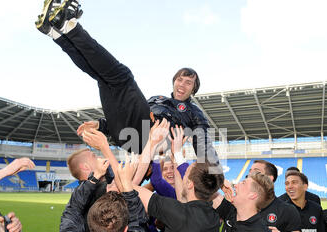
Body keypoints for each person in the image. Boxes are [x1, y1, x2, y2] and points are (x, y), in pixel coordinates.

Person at [35, 0, 219, 166]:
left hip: (147, 140)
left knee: (123, 77)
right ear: (174, 82)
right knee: (103, 77)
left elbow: (203, 145)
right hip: (128, 134)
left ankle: (69, 26)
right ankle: (55, 32)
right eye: (180, 79)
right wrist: (101, 125)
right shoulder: (157, 100)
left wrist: (216, 175)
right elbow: (127, 115)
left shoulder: (194, 113)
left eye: (188, 83)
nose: (182, 84)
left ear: (194, 89)